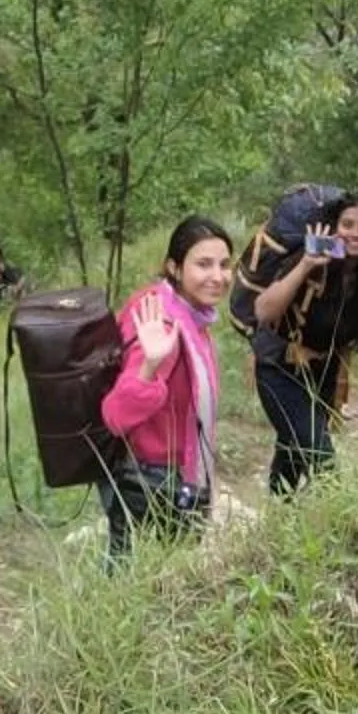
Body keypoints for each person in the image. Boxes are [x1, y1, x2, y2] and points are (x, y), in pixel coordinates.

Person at [237, 190, 358, 494]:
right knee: (321, 455)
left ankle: (280, 510)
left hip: (324, 373)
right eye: (348, 224)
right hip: (279, 368)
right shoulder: (310, 262)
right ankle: (332, 515)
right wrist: (306, 264)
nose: (356, 234)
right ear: (334, 227)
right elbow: (264, 311)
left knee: (293, 448)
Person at [94, 214, 229, 560]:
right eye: (203, 264)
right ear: (174, 267)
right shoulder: (162, 320)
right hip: (149, 480)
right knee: (148, 578)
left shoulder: (189, 314)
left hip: (167, 472)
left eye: (224, 264)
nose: (218, 276)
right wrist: (151, 364)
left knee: (154, 576)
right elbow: (116, 415)